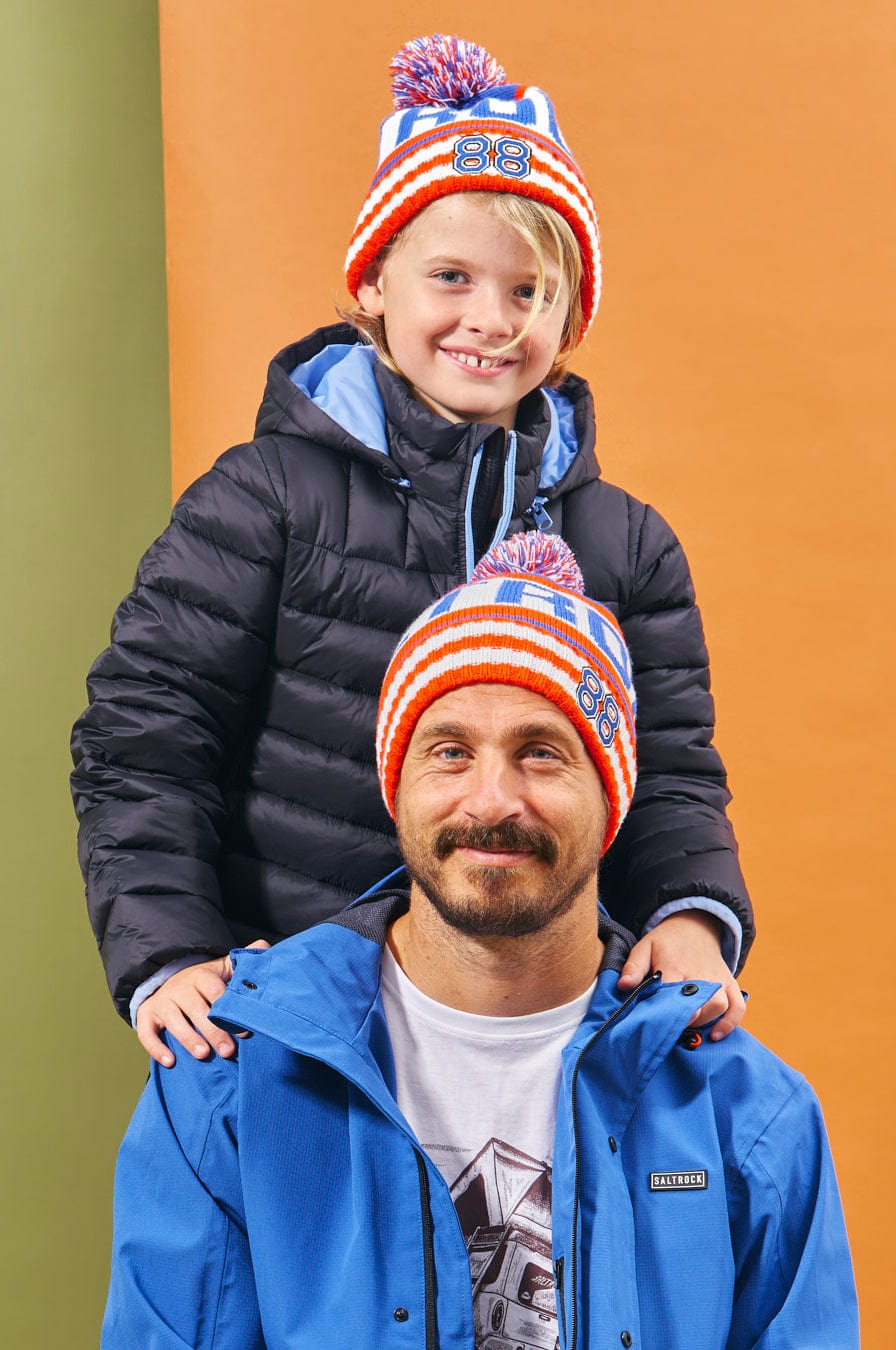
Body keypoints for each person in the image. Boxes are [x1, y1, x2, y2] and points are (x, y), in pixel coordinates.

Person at [71, 34, 753, 1067]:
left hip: (542, 1021)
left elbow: (669, 778)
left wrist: (690, 914)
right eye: (451, 277)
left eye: (530, 292)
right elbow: (146, 739)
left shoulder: (629, 547)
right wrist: (168, 950)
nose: (490, 319)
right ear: (374, 286)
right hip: (300, 1021)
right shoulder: (263, 503)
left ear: (568, 320)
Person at [102, 533, 857, 1349]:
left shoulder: (747, 1112)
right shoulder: (229, 1083)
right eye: (451, 752)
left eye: (541, 753)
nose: (491, 800)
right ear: (398, 790)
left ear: (614, 801)